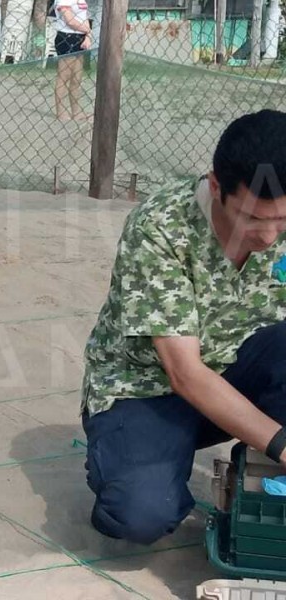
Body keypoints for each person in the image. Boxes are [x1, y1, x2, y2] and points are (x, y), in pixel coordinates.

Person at [80, 109, 286, 545]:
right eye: (252, 218)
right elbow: (185, 374)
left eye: (281, 220)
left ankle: (258, 483)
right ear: (216, 187)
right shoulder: (160, 227)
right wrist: (281, 443)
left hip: (241, 365)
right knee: (140, 513)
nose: (269, 237)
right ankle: (123, 453)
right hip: (149, 390)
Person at [52, 0, 92, 121]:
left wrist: (88, 36)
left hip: (81, 37)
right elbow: (70, 21)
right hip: (67, 37)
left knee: (76, 78)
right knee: (64, 76)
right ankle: (60, 111)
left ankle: (76, 111)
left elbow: (84, 17)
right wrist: (88, 31)